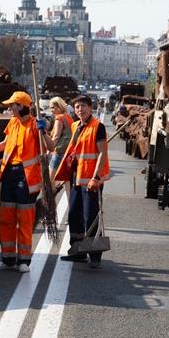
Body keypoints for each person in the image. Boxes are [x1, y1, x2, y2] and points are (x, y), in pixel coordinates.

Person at [0, 91, 44, 273]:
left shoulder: (34, 125)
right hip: (9, 174)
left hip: (27, 177)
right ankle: (7, 259)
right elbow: (6, 143)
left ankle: (24, 261)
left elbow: (50, 147)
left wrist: (43, 132)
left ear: (21, 106)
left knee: (24, 219)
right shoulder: (13, 122)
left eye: (12, 105)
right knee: (6, 219)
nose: (9, 108)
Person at [55, 94, 110, 269]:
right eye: (77, 107)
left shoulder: (97, 127)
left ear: (90, 108)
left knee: (91, 218)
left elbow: (102, 153)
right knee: (75, 216)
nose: (80, 110)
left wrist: (96, 177)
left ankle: (95, 255)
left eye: (83, 106)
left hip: (91, 180)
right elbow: (74, 152)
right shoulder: (75, 126)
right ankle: (78, 251)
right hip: (77, 179)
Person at [46, 97, 74, 179]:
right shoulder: (68, 117)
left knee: (51, 179)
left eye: (52, 107)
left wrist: (48, 151)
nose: (51, 110)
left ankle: (51, 191)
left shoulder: (59, 118)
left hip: (59, 151)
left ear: (59, 107)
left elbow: (56, 137)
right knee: (66, 180)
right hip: (68, 151)